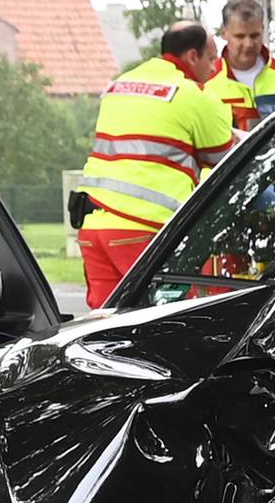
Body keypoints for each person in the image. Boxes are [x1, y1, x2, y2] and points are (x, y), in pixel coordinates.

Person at [72, 21, 233, 308]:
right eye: (211, 59)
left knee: (104, 329)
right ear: (192, 56)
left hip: (93, 226)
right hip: (144, 229)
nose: (213, 70)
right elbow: (227, 159)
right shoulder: (192, 95)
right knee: (165, 326)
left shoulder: (119, 85)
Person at [203, 0, 275, 132]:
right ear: (224, 33)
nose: (248, 44)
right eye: (240, 36)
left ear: (263, 30)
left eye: (254, 36)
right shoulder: (207, 80)